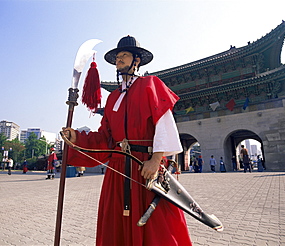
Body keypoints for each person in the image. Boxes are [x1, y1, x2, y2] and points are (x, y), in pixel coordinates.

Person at [62, 36, 192, 245]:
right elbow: (105, 137)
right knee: (116, 225)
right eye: (118, 57)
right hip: (118, 170)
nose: (119, 59)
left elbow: (165, 124)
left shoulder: (151, 85)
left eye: (124, 55)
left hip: (144, 167)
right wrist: (76, 136)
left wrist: (156, 160)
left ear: (137, 61)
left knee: (156, 227)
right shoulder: (113, 98)